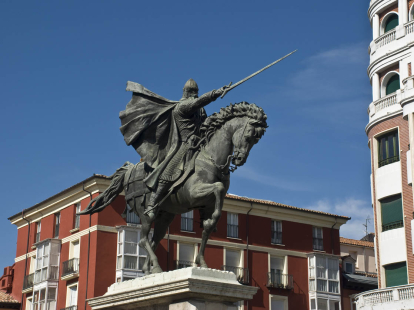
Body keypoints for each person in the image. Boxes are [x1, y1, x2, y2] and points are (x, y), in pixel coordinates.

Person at [119, 79, 228, 218]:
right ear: (187, 93)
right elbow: (198, 102)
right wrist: (216, 93)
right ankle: (153, 203)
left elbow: (205, 124)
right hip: (184, 146)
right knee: (170, 171)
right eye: (193, 92)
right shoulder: (182, 107)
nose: (195, 95)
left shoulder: (200, 111)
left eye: (197, 93)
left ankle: (205, 210)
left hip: (200, 145)